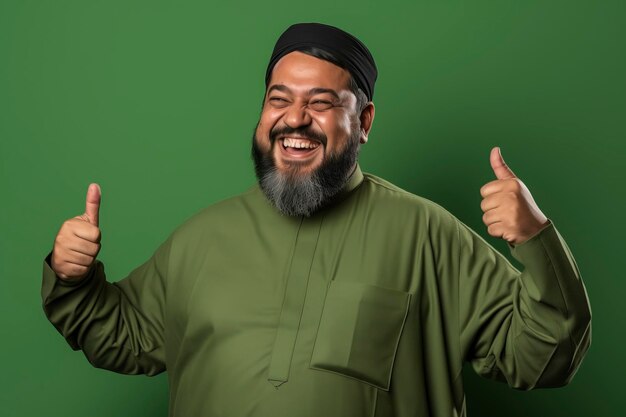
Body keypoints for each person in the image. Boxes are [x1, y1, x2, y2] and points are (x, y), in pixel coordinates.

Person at [42, 22, 592, 417]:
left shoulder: (427, 235)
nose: (294, 119)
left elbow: (540, 357)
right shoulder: (203, 237)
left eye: (322, 102)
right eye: (278, 99)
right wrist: (75, 279)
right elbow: (125, 337)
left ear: (365, 120)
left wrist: (535, 239)